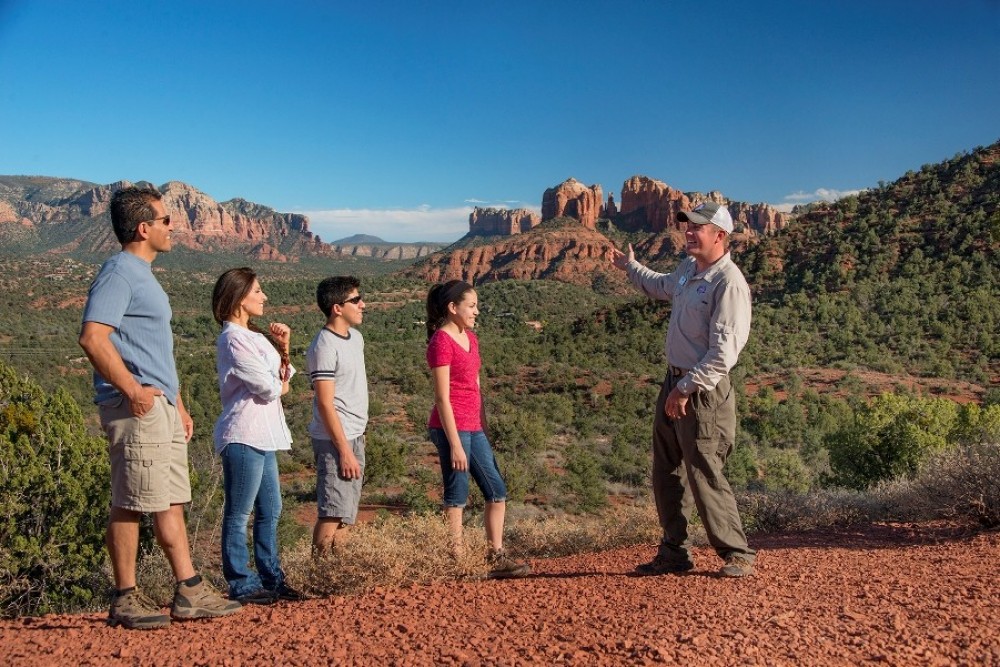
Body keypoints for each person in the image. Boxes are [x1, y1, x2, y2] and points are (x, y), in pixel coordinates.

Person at [79, 185, 241, 630]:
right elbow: (93, 336)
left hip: (160, 406)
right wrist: (132, 390)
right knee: (129, 501)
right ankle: (125, 598)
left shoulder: (143, 274)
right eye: (166, 219)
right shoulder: (119, 272)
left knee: (168, 499)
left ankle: (189, 590)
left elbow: (156, 351)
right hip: (135, 407)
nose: (174, 226)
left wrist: (179, 404)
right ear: (143, 227)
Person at [610, 201, 757, 578]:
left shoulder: (729, 283)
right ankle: (675, 551)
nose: (688, 233)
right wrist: (630, 267)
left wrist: (686, 388)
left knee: (704, 468)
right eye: (687, 227)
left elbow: (724, 353)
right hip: (674, 381)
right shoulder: (690, 269)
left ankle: (736, 554)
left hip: (701, 390)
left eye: (697, 228)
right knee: (667, 470)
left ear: (720, 236)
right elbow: (661, 287)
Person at [425, 280, 530, 579]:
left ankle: (495, 554)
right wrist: (455, 443)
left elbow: (476, 384)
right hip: (451, 430)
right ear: (452, 307)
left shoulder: (471, 338)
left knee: (496, 490)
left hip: (474, 427)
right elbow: (442, 397)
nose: (476, 311)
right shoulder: (441, 342)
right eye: (471, 306)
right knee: (457, 493)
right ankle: (455, 561)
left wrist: (482, 424)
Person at [211, 267, 304, 604]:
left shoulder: (254, 335)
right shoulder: (233, 338)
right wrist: (280, 382)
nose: (264, 297)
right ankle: (241, 583)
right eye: (257, 291)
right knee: (239, 514)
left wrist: (284, 346)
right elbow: (269, 388)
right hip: (243, 433)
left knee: (271, 509)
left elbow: (285, 376)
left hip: (264, 434)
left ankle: (271, 578)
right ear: (238, 298)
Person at [307, 276, 369, 553]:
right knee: (332, 511)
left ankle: (339, 574)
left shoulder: (356, 338)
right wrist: (344, 450)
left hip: (355, 435)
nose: (362, 304)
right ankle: (319, 577)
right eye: (355, 300)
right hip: (335, 440)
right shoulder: (324, 345)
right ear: (337, 308)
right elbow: (324, 403)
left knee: (347, 513)